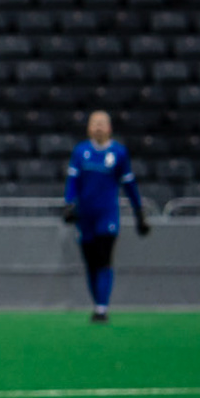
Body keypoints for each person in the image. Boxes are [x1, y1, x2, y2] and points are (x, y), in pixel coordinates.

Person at [64, 109, 147, 323]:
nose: (99, 126)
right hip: (85, 217)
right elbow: (73, 181)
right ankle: (97, 304)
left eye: (102, 123)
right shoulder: (80, 152)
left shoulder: (119, 153)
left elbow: (129, 184)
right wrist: (69, 204)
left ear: (109, 128)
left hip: (107, 216)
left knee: (104, 259)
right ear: (89, 128)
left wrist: (139, 212)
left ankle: (102, 308)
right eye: (95, 122)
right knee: (90, 262)